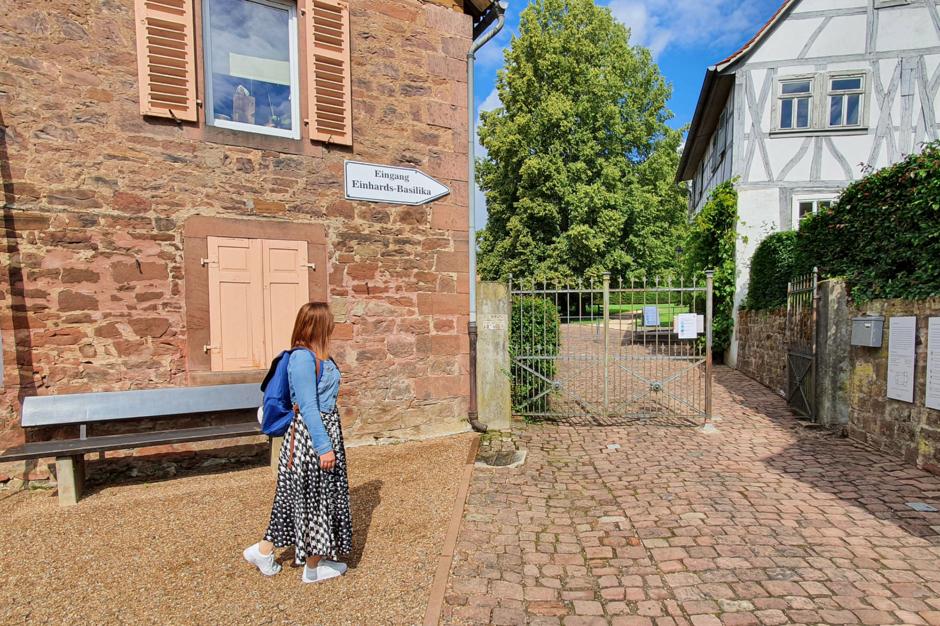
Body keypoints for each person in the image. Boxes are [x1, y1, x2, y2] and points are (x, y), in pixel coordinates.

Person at [243, 302, 352, 583]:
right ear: (318, 325)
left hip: (317, 434)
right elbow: (308, 406)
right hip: (310, 438)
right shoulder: (303, 359)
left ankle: (263, 551)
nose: (333, 325)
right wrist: (324, 447)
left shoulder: (319, 355)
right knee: (317, 499)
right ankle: (313, 569)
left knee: (292, 499)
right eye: (329, 321)